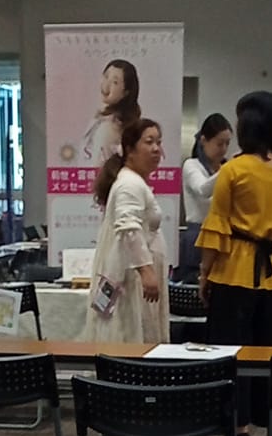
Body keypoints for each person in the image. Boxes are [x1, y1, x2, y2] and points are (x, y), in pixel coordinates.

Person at [197, 89, 272, 436]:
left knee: (232, 352)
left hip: (234, 271)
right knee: (271, 352)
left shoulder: (234, 170)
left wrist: (204, 274)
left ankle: (239, 430)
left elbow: (217, 227)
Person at [88, 116, 170, 346]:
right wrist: (147, 272)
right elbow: (129, 228)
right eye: (149, 142)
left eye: (159, 142)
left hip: (134, 277)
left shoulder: (134, 181)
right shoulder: (129, 184)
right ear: (130, 150)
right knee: (130, 335)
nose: (156, 149)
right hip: (131, 279)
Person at [83, 57, 140, 166]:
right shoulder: (102, 119)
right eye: (106, 76)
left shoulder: (109, 128)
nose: (106, 85)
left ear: (126, 92)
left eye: (115, 82)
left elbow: (98, 169)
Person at [182, 112, 231, 227]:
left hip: (223, 229)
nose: (224, 149)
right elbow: (202, 190)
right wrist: (228, 170)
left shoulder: (225, 167)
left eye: (227, 143)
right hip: (198, 229)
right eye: (219, 144)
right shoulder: (191, 165)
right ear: (204, 141)